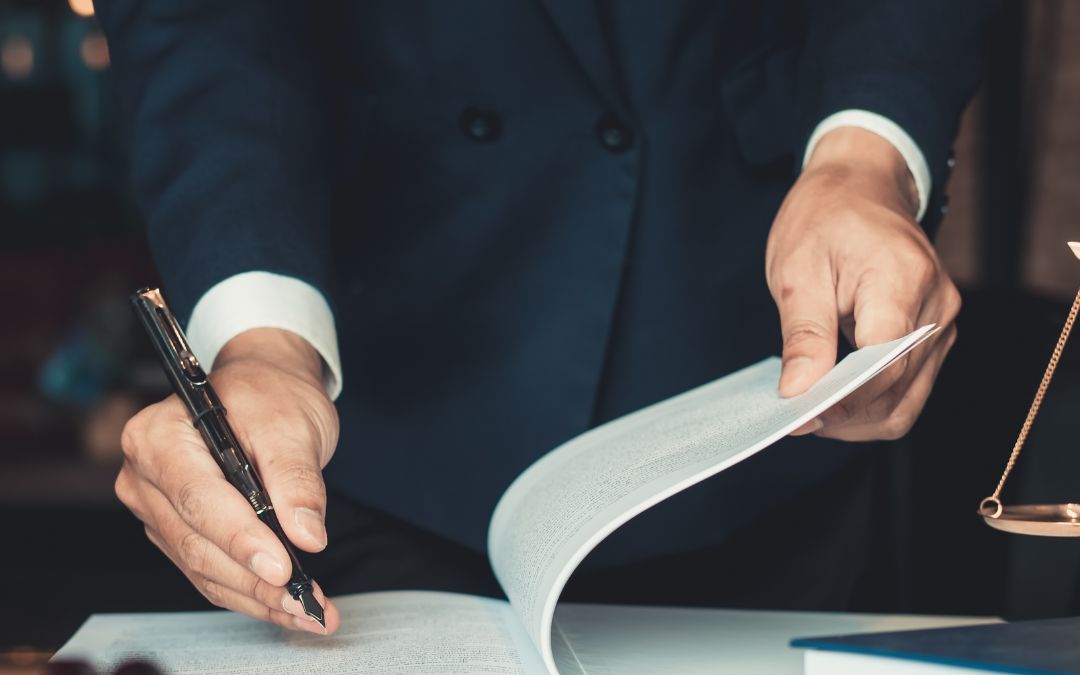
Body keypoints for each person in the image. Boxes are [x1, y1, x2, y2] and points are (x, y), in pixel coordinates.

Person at [96, 2, 994, 635]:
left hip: (764, 383)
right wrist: (261, 342)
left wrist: (865, 159)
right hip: (386, 390)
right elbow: (205, 24)